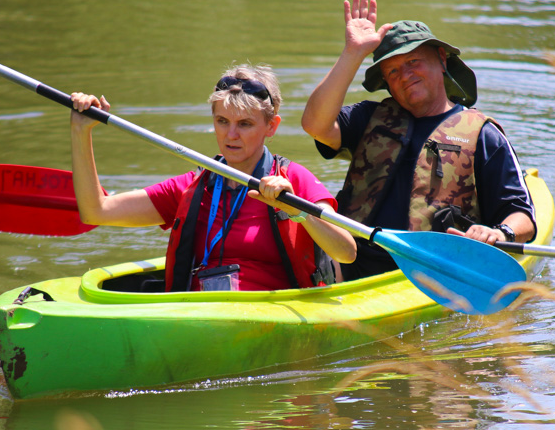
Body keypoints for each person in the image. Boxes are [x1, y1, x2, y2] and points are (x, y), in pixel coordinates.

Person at [302, 0, 536, 281]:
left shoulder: (483, 135)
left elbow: (522, 217)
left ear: (441, 59)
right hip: (350, 265)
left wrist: (499, 232)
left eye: (413, 62)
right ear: (386, 82)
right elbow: (315, 124)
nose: (405, 75)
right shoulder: (367, 119)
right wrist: (353, 53)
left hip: (434, 273)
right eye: (393, 71)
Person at [70, 64, 356, 292]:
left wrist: (300, 213)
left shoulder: (292, 180)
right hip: (202, 315)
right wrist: (82, 131)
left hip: (270, 319)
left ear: (272, 126)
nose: (231, 135)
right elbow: (97, 211)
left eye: (245, 124)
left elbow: (347, 252)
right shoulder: (190, 188)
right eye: (223, 122)